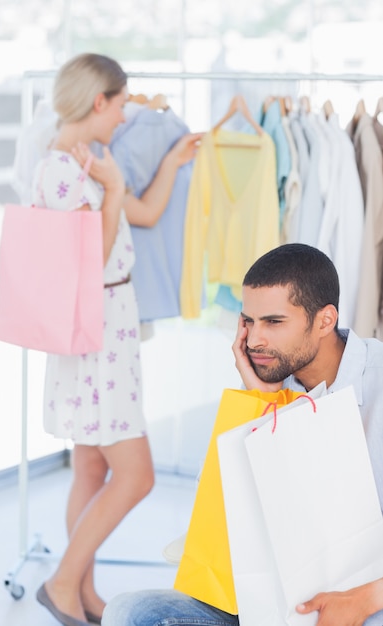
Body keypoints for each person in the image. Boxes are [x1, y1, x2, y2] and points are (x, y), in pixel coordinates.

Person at [102, 243, 383, 626]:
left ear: (324, 321)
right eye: (248, 321)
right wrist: (258, 403)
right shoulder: (275, 380)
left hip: (363, 601)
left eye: (273, 322)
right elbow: (227, 510)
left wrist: (362, 600)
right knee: (131, 612)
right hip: (277, 600)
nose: (252, 341)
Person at [32, 52, 203, 626]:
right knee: (137, 475)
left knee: (91, 471)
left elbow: (146, 215)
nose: (127, 115)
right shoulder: (59, 171)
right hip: (97, 333)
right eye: (123, 102)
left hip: (108, 329)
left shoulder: (91, 160)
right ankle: (60, 583)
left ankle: (82, 593)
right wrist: (111, 189)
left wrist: (167, 163)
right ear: (99, 100)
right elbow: (89, 262)